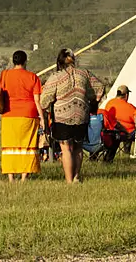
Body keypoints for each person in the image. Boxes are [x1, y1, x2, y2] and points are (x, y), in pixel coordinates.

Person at [40, 48, 97, 183]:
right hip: (82, 115)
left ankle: (69, 180)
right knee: (78, 147)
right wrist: (91, 100)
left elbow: (44, 100)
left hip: (62, 117)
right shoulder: (84, 74)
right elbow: (98, 88)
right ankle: (76, 176)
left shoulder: (56, 77)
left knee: (66, 149)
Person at [0, 50, 43, 182]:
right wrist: (42, 118)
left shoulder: (5, 75)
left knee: (9, 146)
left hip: (9, 114)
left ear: (13, 61)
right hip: (29, 114)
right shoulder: (33, 77)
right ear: (25, 61)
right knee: (27, 146)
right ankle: (24, 177)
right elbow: (37, 101)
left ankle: (10, 177)